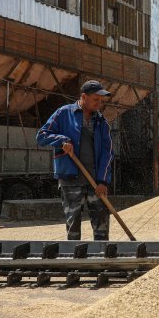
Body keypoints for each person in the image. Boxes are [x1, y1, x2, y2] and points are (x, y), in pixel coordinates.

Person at [37, 80, 114, 241]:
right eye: (96, 99)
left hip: (95, 181)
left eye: (101, 100)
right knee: (73, 227)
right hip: (70, 180)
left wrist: (103, 181)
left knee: (101, 226)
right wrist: (62, 140)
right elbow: (42, 136)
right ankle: (74, 259)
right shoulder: (63, 114)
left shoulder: (102, 123)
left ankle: (101, 260)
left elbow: (107, 154)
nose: (99, 103)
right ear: (84, 97)